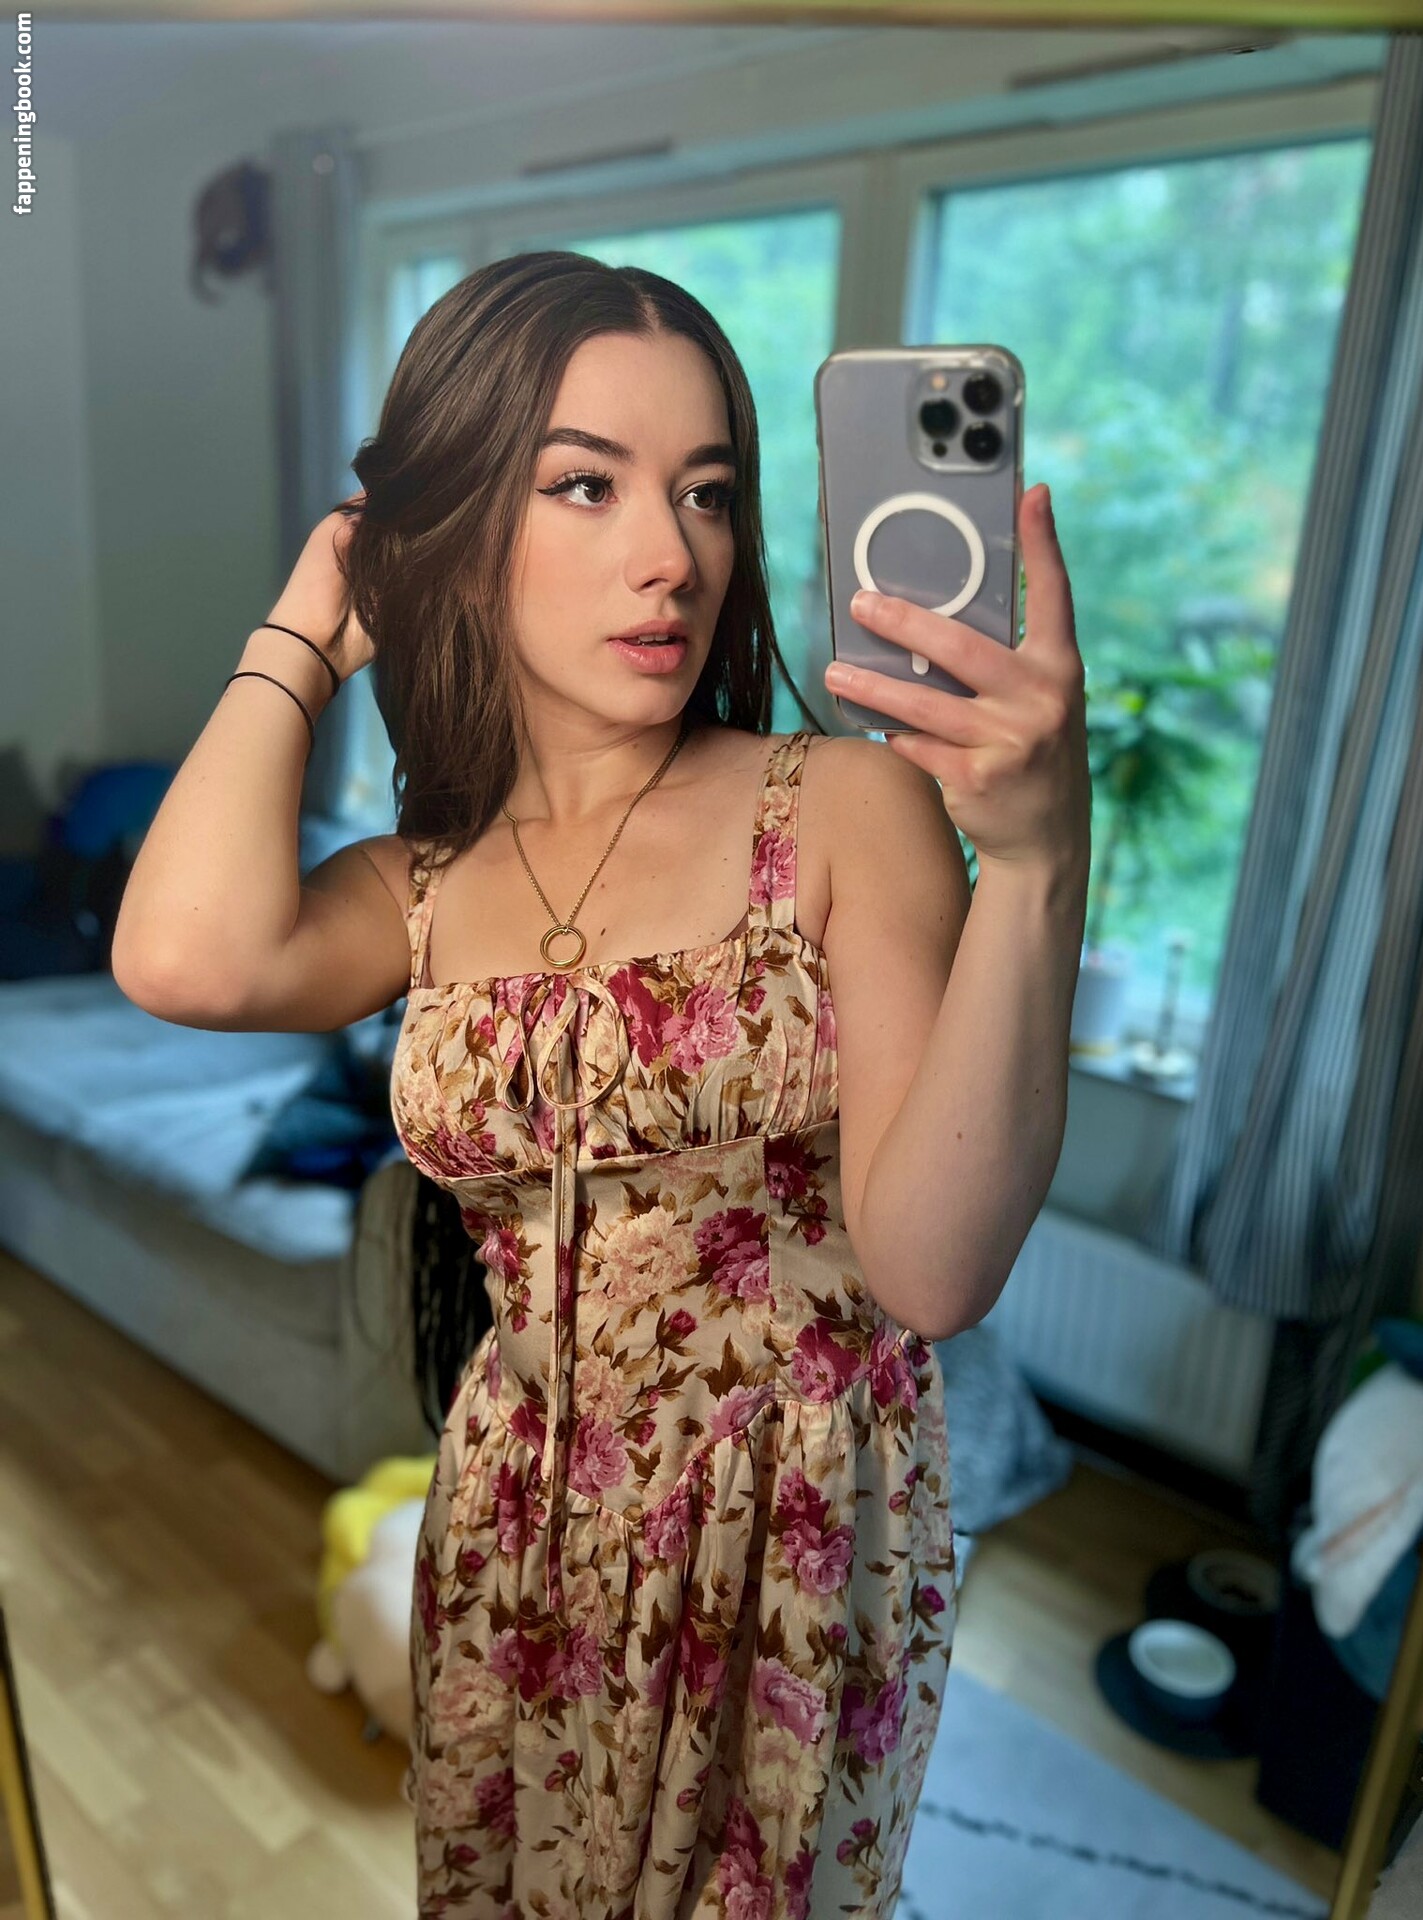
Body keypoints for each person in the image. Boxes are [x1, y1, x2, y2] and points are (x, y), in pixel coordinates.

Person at [113, 250, 1091, 1918]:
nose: (672, 555)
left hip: (784, 1537)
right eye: (586, 484)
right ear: (454, 527)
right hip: (517, 1518)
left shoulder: (841, 809)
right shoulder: (420, 886)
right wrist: (309, 623)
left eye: (707, 493)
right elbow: (182, 958)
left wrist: (1041, 859)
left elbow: (934, 1272)